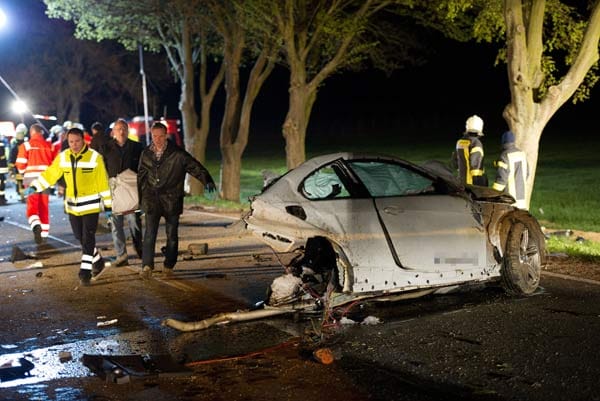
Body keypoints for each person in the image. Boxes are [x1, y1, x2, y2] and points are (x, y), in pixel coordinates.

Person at [24, 127, 112, 286]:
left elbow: (103, 183)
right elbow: (51, 174)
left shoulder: (95, 158)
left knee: (88, 237)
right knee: (80, 237)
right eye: (71, 142)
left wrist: (108, 207)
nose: (74, 144)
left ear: (83, 140)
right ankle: (98, 261)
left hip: (90, 205)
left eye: (77, 141)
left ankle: (85, 271)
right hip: (72, 206)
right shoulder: (63, 157)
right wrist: (35, 186)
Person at [137, 121, 216, 279]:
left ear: (166, 135)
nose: (158, 139)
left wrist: (206, 180)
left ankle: (168, 266)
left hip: (172, 200)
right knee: (149, 234)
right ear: (151, 136)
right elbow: (141, 177)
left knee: (172, 235)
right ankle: (147, 266)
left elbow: (194, 166)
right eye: (154, 136)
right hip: (152, 200)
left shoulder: (177, 154)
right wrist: (141, 200)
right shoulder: (146, 154)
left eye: (161, 136)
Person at [101, 119, 144, 266]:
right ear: (113, 132)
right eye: (118, 129)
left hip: (131, 190)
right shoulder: (106, 148)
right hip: (113, 190)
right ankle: (121, 255)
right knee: (115, 224)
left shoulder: (137, 147)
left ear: (128, 130)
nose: (121, 131)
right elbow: (102, 169)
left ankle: (140, 249)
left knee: (134, 222)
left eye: (124, 128)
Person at [15, 124, 55, 243]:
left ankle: (35, 224)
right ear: (41, 133)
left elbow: (20, 164)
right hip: (45, 179)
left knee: (32, 205)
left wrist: (23, 173)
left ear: (31, 132)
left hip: (30, 179)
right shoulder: (49, 145)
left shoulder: (26, 145)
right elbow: (54, 163)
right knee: (44, 205)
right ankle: (44, 234)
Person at [492, 130, 529, 210]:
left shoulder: (505, 156)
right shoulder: (522, 154)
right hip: (522, 201)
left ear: (503, 142)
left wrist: (492, 194)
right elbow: (527, 174)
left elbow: (501, 180)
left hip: (509, 200)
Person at [452, 115, 488, 186]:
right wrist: (479, 182)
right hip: (472, 182)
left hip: (461, 180)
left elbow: (455, 162)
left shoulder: (460, 142)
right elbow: (475, 164)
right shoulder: (476, 143)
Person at [9, 124, 27, 202]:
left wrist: (11, 167)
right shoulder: (25, 144)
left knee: (21, 182)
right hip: (23, 166)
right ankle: (24, 196)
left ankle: (23, 196)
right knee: (22, 182)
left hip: (19, 167)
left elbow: (11, 157)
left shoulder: (15, 145)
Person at [0, 132, 8, 205]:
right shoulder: (1, 145)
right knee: (2, 183)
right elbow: (3, 157)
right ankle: (2, 199)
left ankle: (2, 198)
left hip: (2, 168)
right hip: (1, 168)